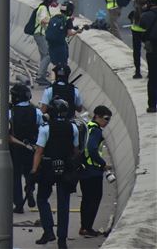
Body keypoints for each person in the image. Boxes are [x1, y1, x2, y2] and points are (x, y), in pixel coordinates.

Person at [31, 99, 79, 249]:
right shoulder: (73, 127)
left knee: (42, 198)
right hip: (66, 167)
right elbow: (76, 150)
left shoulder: (45, 128)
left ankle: (48, 230)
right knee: (63, 203)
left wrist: (33, 170)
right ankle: (62, 239)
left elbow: (39, 151)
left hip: (47, 166)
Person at [9, 83, 42, 213]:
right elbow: (42, 128)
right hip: (32, 148)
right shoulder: (36, 111)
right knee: (30, 172)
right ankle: (29, 191)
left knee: (15, 176)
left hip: (14, 148)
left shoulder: (10, 112)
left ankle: (18, 204)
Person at [79, 105, 112, 238]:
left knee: (86, 199)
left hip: (84, 169)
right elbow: (92, 149)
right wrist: (103, 163)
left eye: (109, 120)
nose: (107, 122)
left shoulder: (88, 126)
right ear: (97, 116)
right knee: (94, 199)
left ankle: (84, 227)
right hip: (93, 171)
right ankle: (87, 227)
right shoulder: (96, 130)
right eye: (105, 119)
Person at [30, 0, 58, 86]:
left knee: (43, 55)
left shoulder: (44, 7)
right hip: (40, 35)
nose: (55, 0)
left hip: (40, 35)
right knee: (48, 54)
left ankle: (41, 73)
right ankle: (40, 77)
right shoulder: (43, 8)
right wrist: (54, 20)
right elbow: (43, 20)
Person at [136, 0, 157, 113]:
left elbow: (140, 33)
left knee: (153, 77)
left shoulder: (145, 16)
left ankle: (152, 105)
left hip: (152, 51)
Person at [45, 1, 79, 68]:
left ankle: (53, 78)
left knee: (55, 65)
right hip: (60, 46)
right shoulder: (68, 20)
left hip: (51, 45)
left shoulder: (55, 17)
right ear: (70, 11)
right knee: (62, 65)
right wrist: (77, 31)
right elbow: (69, 33)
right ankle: (60, 78)